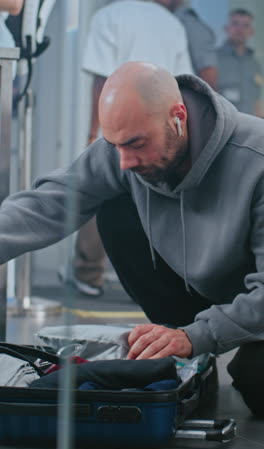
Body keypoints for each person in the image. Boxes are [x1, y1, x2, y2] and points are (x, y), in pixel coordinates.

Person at [1, 61, 264, 416]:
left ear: (178, 117)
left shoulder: (256, 160)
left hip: (255, 295)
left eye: (136, 144)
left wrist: (199, 335)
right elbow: (49, 203)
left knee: (257, 381)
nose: (123, 161)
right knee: (113, 201)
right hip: (200, 292)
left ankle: (196, 342)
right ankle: (180, 347)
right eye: (115, 145)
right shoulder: (125, 146)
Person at [72, 0, 193, 296]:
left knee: (98, 192)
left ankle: (89, 275)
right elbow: (183, 84)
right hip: (160, 125)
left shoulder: (110, 16)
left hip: (120, 123)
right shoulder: (171, 23)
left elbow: (102, 80)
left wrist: (94, 131)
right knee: (161, 196)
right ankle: (161, 281)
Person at [217, 9, 264, 116]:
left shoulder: (255, 65)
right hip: (224, 125)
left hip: (251, 126)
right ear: (226, 28)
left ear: (252, 31)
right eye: (235, 23)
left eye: (245, 25)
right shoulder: (213, 59)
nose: (240, 29)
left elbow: (257, 101)